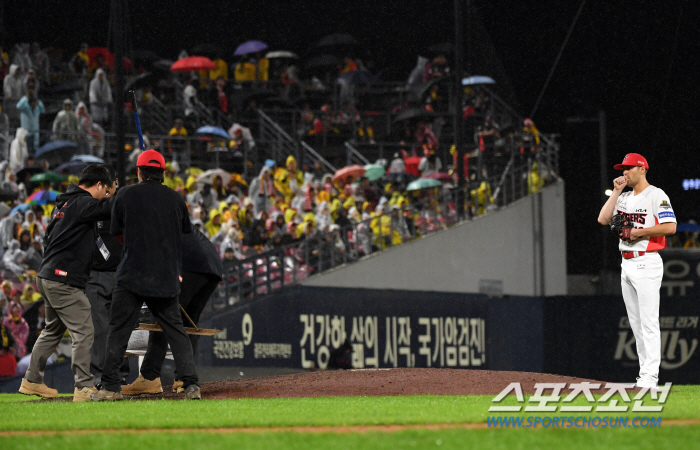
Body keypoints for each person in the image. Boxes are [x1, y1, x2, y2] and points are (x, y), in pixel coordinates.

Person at [93, 150, 200, 401]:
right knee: (175, 330)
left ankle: (110, 388)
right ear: (162, 173)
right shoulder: (176, 199)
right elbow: (185, 232)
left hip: (132, 273)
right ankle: (191, 384)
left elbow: (117, 230)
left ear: (138, 171)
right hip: (165, 274)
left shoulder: (125, 194)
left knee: (119, 329)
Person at [19, 164, 114, 402]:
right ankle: (83, 386)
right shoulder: (82, 202)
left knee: (52, 330)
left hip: (47, 275)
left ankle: (32, 380)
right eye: (107, 189)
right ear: (99, 184)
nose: (107, 194)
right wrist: (127, 196)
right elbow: (108, 208)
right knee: (84, 329)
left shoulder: (63, 203)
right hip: (62, 278)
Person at [597, 153, 676, 390]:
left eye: (629, 168)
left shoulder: (656, 194)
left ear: (642, 169)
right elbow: (603, 219)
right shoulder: (624, 197)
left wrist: (639, 233)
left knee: (649, 322)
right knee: (636, 322)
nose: (624, 172)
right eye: (623, 168)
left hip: (647, 261)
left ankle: (650, 377)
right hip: (626, 264)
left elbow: (671, 226)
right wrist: (617, 192)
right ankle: (644, 375)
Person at [122, 228, 223, 394]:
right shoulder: (166, 219)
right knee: (188, 321)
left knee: (164, 317)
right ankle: (183, 379)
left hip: (190, 264)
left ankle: (149, 377)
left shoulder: (147, 229)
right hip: (212, 266)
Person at [84, 175, 126, 390]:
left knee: (121, 325)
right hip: (97, 274)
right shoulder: (89, 207)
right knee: (99, 327)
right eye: (109, 187)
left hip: (121, 273)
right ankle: (99, 375)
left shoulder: (124, 207)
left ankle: (119, 373)